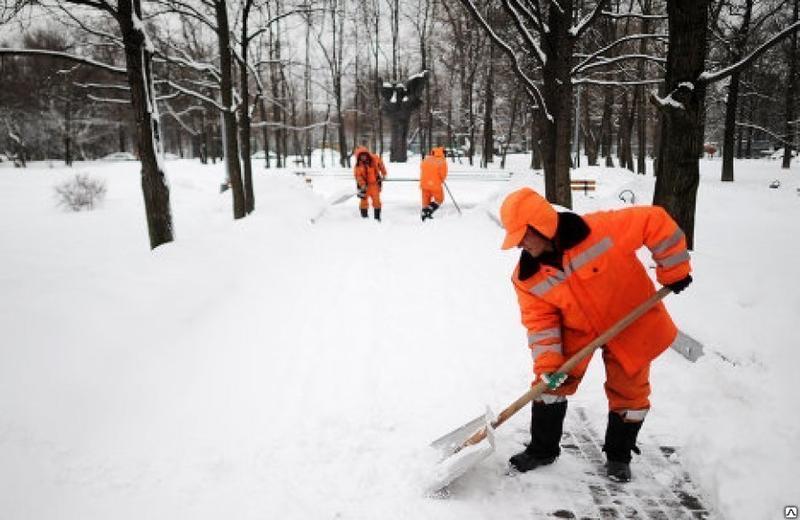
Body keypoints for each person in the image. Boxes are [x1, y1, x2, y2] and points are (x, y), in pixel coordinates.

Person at [498, 187, 693, 482]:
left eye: (523, 235)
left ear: (543, 225)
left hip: (631, 319)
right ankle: (542, 450)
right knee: (549, 385)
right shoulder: (526, 276)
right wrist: (549, 365)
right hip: (577, 331)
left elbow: (655, 221)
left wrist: (674, 269)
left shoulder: (600, 230)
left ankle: (618, 456)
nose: (519, 245)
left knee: (631, 392)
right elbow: (540, 324)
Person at [353, 145, 387, 221]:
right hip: (364, 187)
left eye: (364, 155)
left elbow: (381, 165)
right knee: (363, 202)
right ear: (358, 157)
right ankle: (364, 218)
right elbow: (358, 177)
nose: (363, 157)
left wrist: (384, 173)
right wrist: (362, 185)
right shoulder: (358, 166)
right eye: (361, 156)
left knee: (377, 201)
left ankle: (377, 218)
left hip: (375, 185)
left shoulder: (374, 159)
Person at [419, 146, 448, 221]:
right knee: (439, 199)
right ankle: (427, 211)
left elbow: (421, 167)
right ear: (443, 153)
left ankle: (424, 214)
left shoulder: (426, 159)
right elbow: (443, 175)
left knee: (426, 201)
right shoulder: (442, 161)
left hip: (424, 184)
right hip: (435, 185)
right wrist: (440, 181)